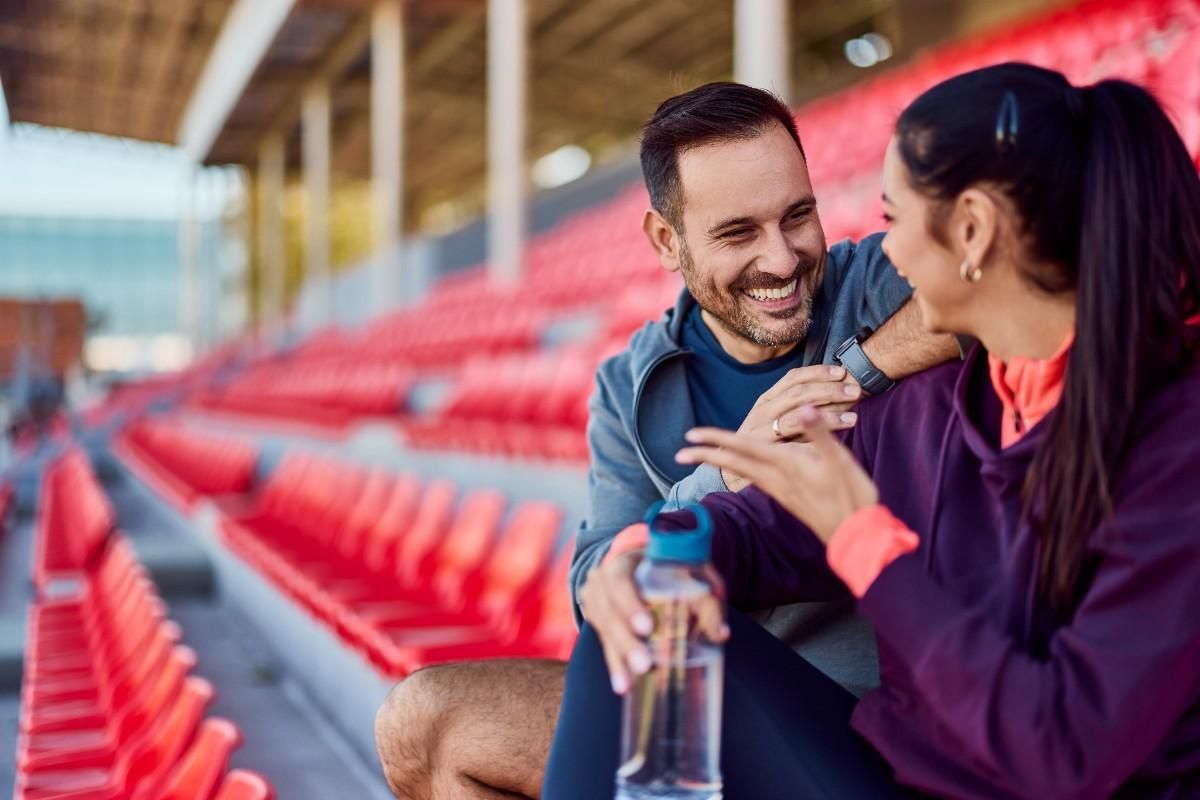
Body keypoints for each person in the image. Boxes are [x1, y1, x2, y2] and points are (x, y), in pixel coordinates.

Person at [545, 62, 1200, 799]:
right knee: (641, 619)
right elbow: (761, 528)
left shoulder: (1175, 449)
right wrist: (653, 550)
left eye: (892, 220)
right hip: (896, 773)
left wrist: (865, 542)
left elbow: (1065, 754)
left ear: (974, 232)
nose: (880, 255)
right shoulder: (925, 409)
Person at [374, 82, 958, 799]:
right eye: (738, 233)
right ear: (665, 240)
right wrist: (740, 463)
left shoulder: (870, 281)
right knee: (425, 720)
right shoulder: (630, 382)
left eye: (797, 216)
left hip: (856, 721)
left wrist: (859, 370)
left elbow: (1002, 284)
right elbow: (600, 582)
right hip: (698, 693)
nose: (780, 259)